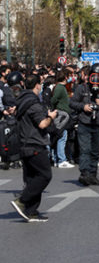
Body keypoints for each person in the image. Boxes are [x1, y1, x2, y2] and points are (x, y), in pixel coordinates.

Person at [11, 74, 57, 222]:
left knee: (32, 178)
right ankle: (22, 200)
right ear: (38, 85)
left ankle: (31, 211)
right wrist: (51, 116)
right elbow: (42, 124)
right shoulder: (33, 103)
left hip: (24, 142)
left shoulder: (22, 99)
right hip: (35, 143)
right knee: (45, 175)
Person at [70, 63, 99, 187]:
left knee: (95, 151)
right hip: (84, 123)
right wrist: (83, 106)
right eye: (94, 76)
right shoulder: (82, 88)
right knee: (85, 150)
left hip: (98, 124)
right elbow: (72, 103)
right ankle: (84, 174)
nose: (96, 80)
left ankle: (93, 174)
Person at [50, 70, 74, 168]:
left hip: (61, 113)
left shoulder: (60, 87)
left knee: (59, 136)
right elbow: (53, 100)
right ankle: (61, 160)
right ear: (65, 77)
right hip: (61, 114)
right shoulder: (60, 88)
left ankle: (57, 159)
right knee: (62, 137)